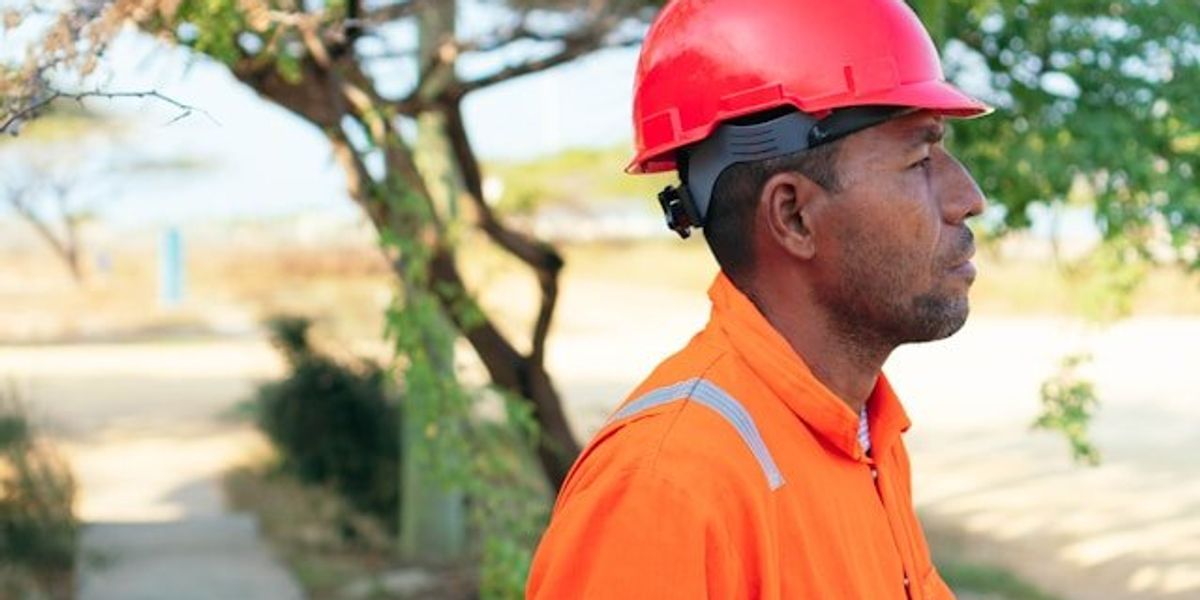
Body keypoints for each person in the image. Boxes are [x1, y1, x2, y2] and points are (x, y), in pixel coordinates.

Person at [527, 0, 990, 597]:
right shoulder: (666, 487)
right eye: (919, 159)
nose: (968, 197)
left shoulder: (864, 432)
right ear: (793, 215)